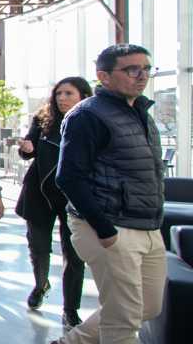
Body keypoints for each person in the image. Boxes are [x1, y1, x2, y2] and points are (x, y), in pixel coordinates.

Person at [53, 44, 166, 344]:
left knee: (149, 306)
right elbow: (68, 177)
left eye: (146, 68)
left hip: (147, 226)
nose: (142, 76)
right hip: (110, 226)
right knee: (123, 319)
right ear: (103, 76)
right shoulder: (88, 116)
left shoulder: (141, 112)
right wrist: (105, 229)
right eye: (132, 70)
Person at [17, 77, 92, 330]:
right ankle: (40, 285)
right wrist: (27, 148)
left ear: (82, 95)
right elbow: (29, 148)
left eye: (68, 93)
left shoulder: (90, 121)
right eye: (58, 93)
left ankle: (70, 310)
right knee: (38, 247)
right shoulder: (43, 119)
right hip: (39, 192)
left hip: (73, 197)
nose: (62, 98)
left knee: (74, 255)